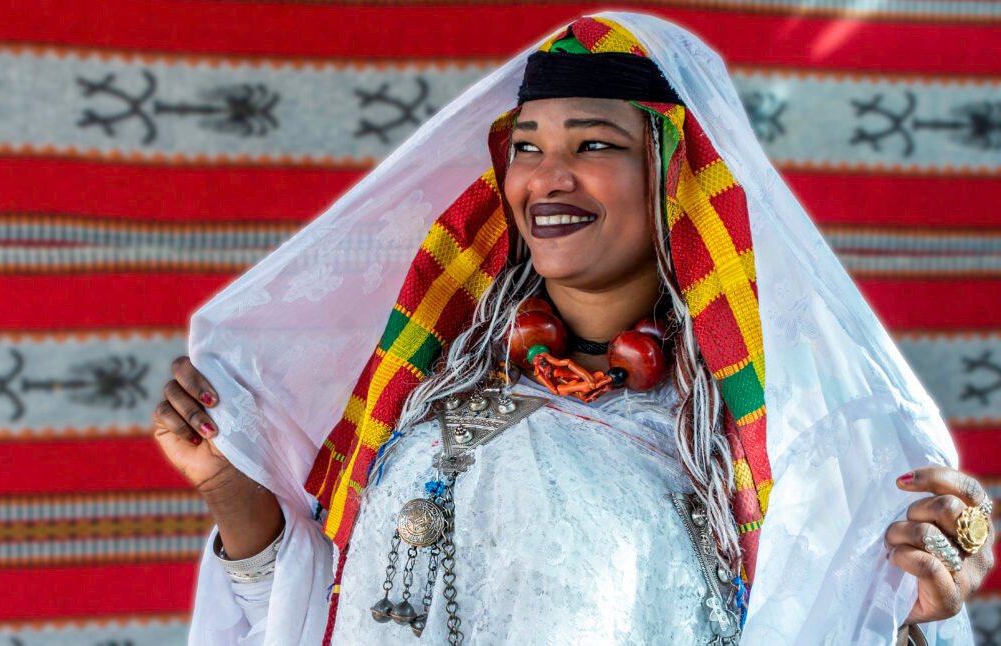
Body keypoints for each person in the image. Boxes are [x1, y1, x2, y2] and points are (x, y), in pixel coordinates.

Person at [152, 13, 994, 645]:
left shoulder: (766, 435)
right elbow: (318, 617)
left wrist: (896, 616)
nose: (546, 177)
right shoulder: (425, 391)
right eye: (525, 147)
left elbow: (813, 622)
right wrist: (233, 491)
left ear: (673, 173)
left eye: (592, 144)